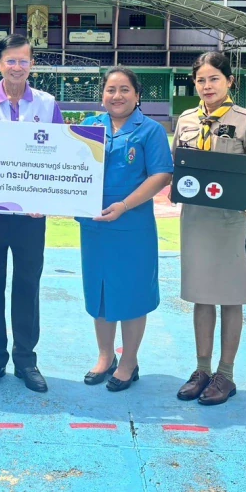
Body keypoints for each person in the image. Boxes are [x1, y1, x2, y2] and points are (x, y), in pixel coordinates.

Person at [0, 34, 64, 393]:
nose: (17, 67)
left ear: (32, 64)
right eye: (11, 60)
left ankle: (26, 359)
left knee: (27, 286)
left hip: (30, 217)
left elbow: (58, 155)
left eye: (24, 60)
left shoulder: (48, 104)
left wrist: (48, 198)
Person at [172, 51, 246, 406]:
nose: (207, 85)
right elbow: (177, 168)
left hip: (231, 222)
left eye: (214, 78)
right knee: (202, 296)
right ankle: (201, 370)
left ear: (230, 81)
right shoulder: (185, 120)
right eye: (201, 79)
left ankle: (225, 375)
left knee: (230, 298)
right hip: (197, 220)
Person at [77, 67, 173, 391]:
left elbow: (161, 175)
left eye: (124, 90)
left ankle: (128, 361)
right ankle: (106, 357)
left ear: (137, 94)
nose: (116, 96)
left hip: (132, 226)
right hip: (94, 227)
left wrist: (125, 205)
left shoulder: (151, 131)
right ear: (102, 95)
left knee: (132, 294)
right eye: (110, 90)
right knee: (100, 293)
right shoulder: (90, 128)